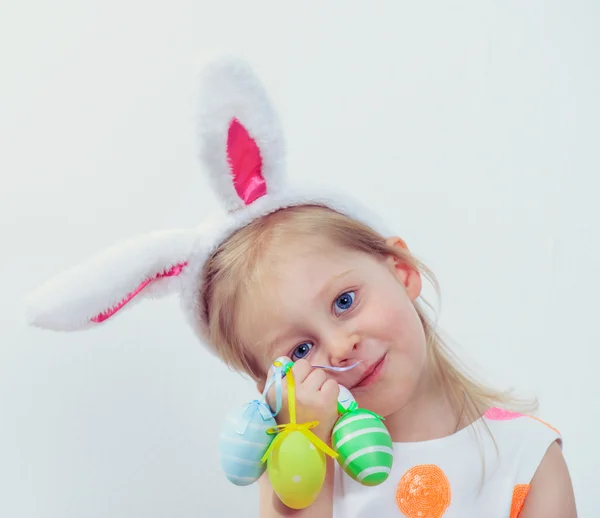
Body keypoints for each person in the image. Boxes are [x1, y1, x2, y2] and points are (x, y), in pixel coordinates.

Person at [23, 56, 577, 517]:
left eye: (344, 301)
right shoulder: (305, 467)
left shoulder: (525, 456)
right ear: (272, 382)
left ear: (402, 272)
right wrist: (306, 446)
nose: (338, 348)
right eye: (300, 349)